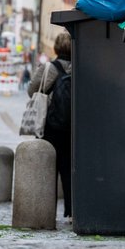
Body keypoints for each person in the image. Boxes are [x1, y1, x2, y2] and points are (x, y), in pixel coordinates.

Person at [27, 31, 73, 219]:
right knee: (69, 169)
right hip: (73, 127)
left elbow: (32, 91)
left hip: (50, 125)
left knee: (48, 168)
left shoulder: (48, 68)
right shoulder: (80, 67)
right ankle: (71, 211)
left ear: (55, 47)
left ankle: (46, 212)